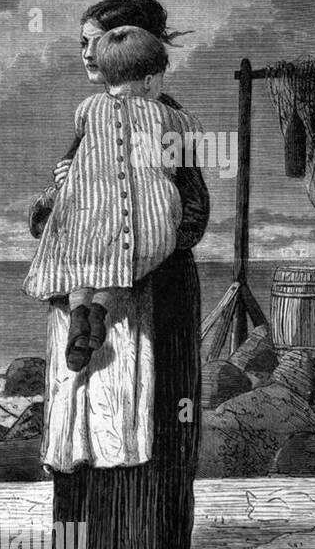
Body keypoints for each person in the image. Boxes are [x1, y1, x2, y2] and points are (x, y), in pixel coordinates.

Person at [28, 0, 210, 549]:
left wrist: (137, 258)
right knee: (86, 452)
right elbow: (74, 203)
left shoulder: (169, 122)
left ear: (122, 49)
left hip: (152, 307)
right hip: (91, 306)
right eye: (80, 44)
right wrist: (49, 213)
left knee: (144, 458)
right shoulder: (93, 121)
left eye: (91, 43)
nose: (82, 55)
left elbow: (191, 213)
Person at [24, 25, 198, 372]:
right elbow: (187, 142)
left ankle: (78, 314)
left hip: (88, 214)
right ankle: (100, 312)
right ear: (150, 81)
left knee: (80, 262)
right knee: (122, 264)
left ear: (106, 72)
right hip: (147, 221)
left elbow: (83, 138)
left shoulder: (88, 108)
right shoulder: (170, 116)